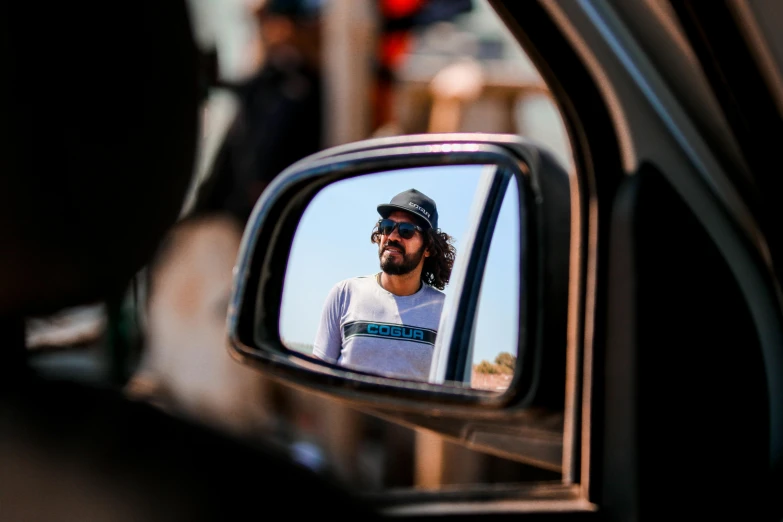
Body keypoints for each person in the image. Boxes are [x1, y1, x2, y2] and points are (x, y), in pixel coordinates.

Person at [312, 188, 456, 381]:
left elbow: (450, 386)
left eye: (406, 231)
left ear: (428, 247)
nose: (393, 237)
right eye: (387, 226)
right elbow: (319, 374)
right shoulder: (345, 294)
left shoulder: (445, 311)